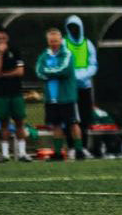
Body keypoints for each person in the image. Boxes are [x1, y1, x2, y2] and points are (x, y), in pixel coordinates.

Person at [35, 27, 87, 162]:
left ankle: (79, 151)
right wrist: (50, 72)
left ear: (60, 40)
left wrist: (49, 72)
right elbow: (39, 71)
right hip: (51, 99)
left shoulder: (67, 54)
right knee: (56, 125)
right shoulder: (43, 56)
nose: (54, 43)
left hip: (67, 97)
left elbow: (64, 70)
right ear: (48, 41)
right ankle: (58, 153)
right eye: (51, 41)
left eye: (56, 41)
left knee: (73, 123)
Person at [0, 29, 30, 162]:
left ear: (7, 38)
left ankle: (23, 153)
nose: (1, 41)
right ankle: (5, 154)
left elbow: (20, 71)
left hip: (16, 92)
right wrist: (1, 53)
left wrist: (4, 75)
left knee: (19, 122)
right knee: (4, 123)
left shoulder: (15, 51)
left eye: (3, 38)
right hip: (0, 94)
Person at [64, 15, 98, 154]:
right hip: (68, 88)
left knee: (85, 117)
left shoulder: (87, 44)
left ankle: (83, 147)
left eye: (76, 27)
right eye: (71, 27)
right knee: (69, 118)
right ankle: (71, 147)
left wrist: (82, 75)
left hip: (85, 87)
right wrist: (72, 76)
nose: (74, 30)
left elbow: (93, 65)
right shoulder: (63, 43)